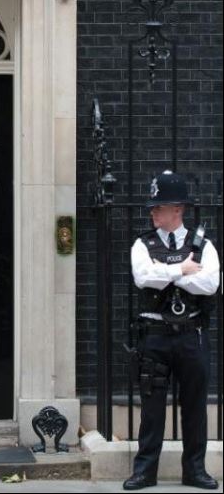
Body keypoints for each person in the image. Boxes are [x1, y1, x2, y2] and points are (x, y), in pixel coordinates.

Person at [123, 170, 220, 491]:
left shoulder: (204, 245)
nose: (152, 212)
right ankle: (144, 472)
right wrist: (182, 269)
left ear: (177, 209)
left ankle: (195, 471)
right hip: (155, 336)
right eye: (152, 207)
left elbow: (209, 283)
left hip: (192, 335)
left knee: (194, 407)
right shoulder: (143, 244)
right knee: (151, 409)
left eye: (158, 206)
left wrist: (165, 272)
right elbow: (143, 277)